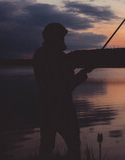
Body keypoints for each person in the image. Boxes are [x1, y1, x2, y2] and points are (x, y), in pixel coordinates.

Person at [33, 23, 91, 160]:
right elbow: (66, 86)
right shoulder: (59, 58)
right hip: (62, 108)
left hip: (45, 107)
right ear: (53, 38)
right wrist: (84, 73)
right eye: (61, 37)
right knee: (73, 145)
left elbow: (62, 83)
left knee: (46, 146)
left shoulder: (40, 54)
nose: (63, 40)